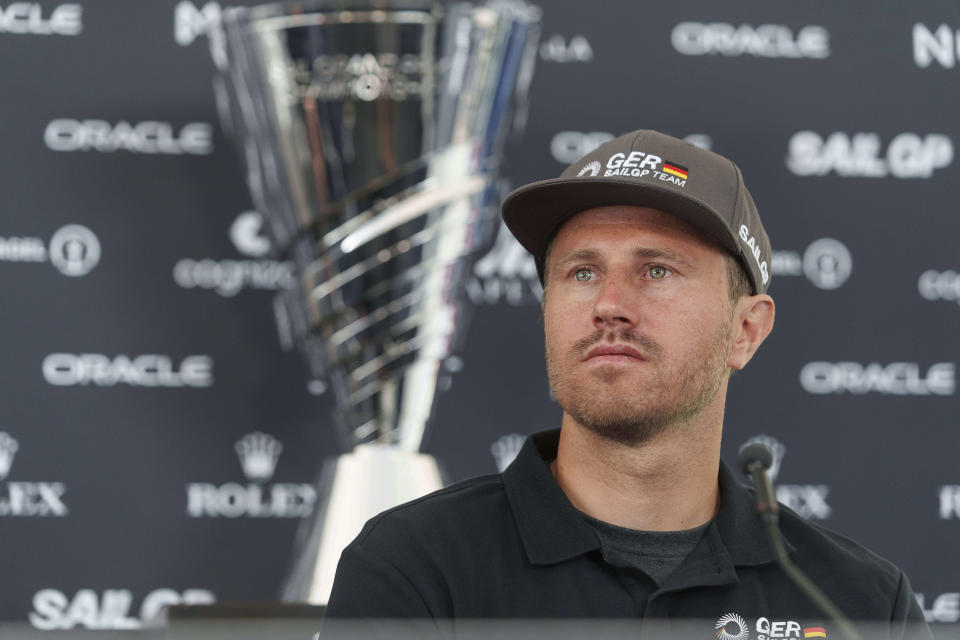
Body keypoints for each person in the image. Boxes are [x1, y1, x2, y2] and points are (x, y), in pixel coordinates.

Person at [324, 130, 930, 634]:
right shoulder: (416, 565)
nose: (610, 304)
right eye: (582, 271)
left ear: (746, 330)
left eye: (657, 270)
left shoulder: (860, 604)